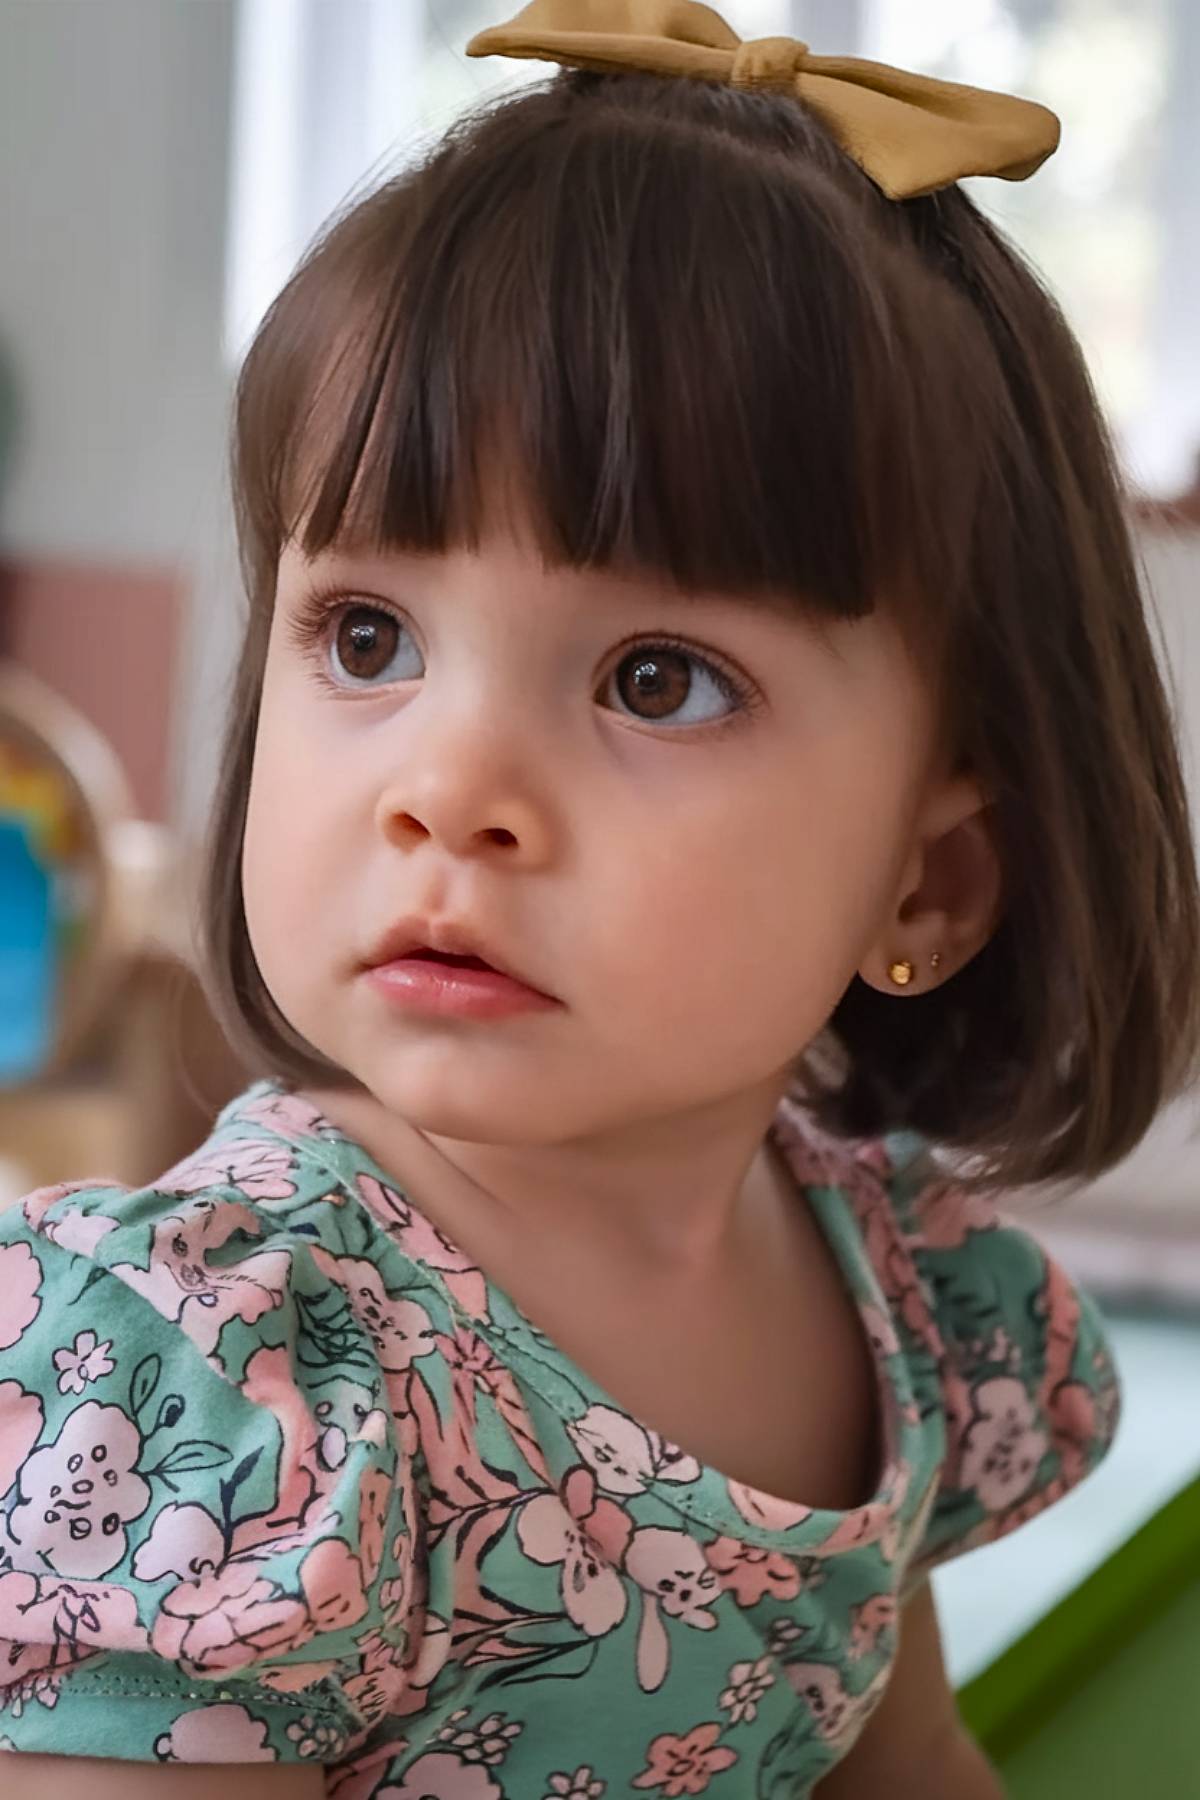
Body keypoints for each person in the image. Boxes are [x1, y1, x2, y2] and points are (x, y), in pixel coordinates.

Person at [2, 2, 1197, 1794]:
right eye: (367, 637)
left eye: (656, 679)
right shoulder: (238, 1379)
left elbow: (912, 1759)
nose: (445, 792)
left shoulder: (903, 1305)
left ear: (930, 877)